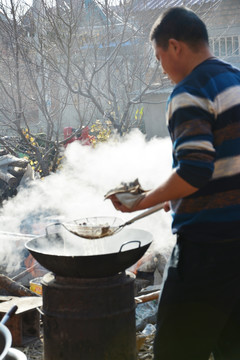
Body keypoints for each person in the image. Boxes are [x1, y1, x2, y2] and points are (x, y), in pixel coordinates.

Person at [108, 6, 240, 360]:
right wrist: (176, 197)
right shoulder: (236, 81)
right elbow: (221, 166)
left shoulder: (189, 91)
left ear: (175, 46)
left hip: (206, 254)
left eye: (159, 57)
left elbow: (195, 171)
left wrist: (144, 199)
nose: (162, 69)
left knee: (176, 351)